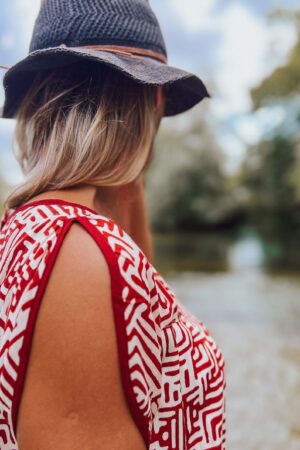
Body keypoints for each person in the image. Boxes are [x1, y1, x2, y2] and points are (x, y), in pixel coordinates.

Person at [0, 1, 226, 449]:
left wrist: (126, 173)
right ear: (154, 101)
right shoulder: (75, 256)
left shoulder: (43, 232)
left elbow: (138, 291)